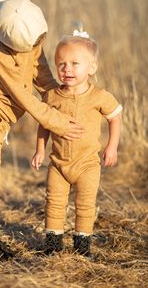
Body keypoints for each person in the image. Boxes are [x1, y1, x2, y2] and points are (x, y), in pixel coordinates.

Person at [0, 0, 84, 262]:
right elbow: (23, 97)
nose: (37, 45)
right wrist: (58, 121)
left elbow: (39, 70)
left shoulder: (27, 33)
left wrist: (60, 96)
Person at [32, 28, 122, 259]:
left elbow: (115, 117)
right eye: (61, 64)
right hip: (58, 163)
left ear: (92, 67)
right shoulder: (52, 96)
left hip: (87, 164)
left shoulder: (99, 96)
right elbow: (44, 124)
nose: (67, 69)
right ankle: (53, 246)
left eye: (75, 63)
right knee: (53, 202)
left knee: (84, 205)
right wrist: (40, 149)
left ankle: (82, 248)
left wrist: (112, 146)